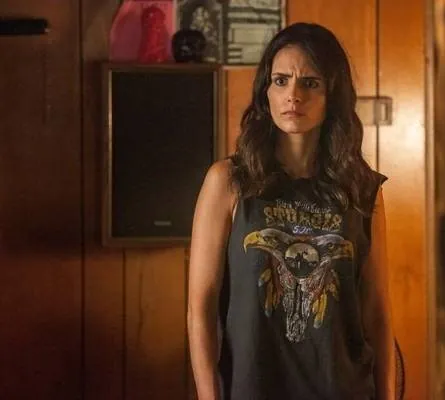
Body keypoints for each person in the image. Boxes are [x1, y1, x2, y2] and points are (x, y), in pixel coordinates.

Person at [187, 22, 395, 400]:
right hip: (253, 387)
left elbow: (377, 312)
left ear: (332, 94)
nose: (293, 95)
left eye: (310, 83)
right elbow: (201, 304)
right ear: (265, 91)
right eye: (281, 81)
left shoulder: (361, 189)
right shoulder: (229, 182)